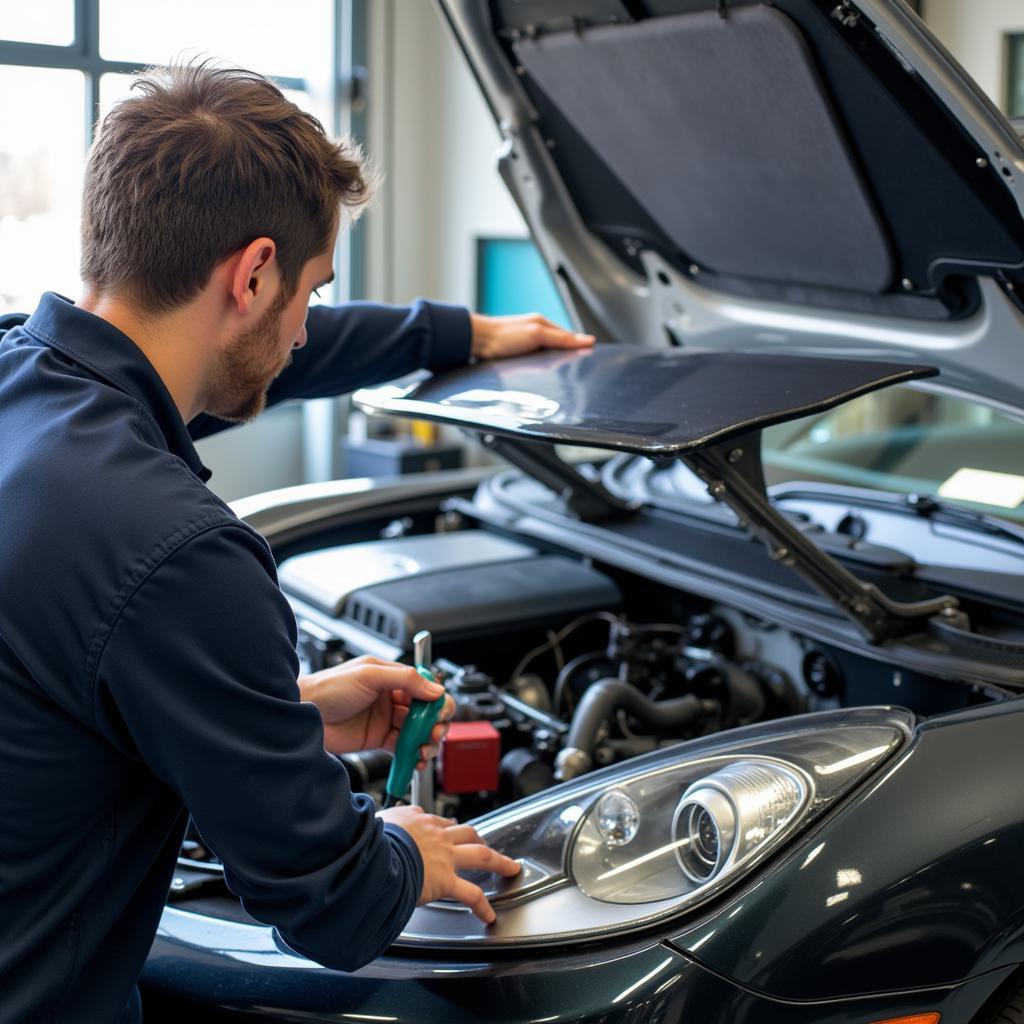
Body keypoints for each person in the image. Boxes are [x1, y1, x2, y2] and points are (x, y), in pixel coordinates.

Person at [0, 63, 594, 1024]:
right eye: (311, 291)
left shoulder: (20, 382)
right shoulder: (179, 553)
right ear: (255, 272)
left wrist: (280, 714)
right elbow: (333, 906)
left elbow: (62, 688)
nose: (306, 331)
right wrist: (401, 845)